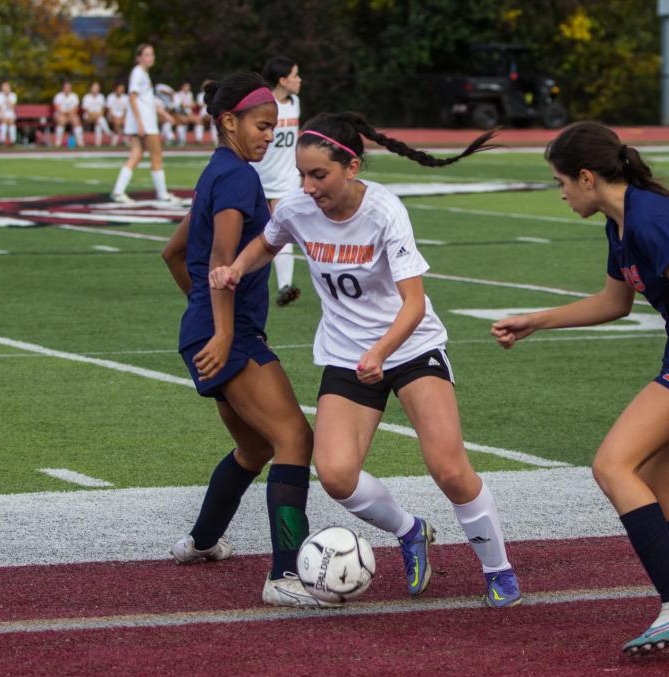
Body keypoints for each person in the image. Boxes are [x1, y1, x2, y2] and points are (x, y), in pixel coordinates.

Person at [208, 112, 522, 608]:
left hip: (410, 347)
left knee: (450, 469)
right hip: (346, 356)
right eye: (302, 175)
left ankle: (498, 570)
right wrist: (235, 268)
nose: (308, 187)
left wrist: (380, 352)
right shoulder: (296, 207)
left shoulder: (384, 211)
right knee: (335, 476)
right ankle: (411, 530)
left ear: (351, 167)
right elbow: (268, 242)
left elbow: (414, 304)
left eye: (319, 175)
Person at [491, 121, 669, 653]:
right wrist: (537, 321)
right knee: (658, 492)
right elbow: (613, 303)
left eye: (561, 182)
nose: (562, 192)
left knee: (612, 466)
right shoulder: (621, 225)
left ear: (588, 177)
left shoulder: (651, 219)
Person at [161, 72, 326, 608]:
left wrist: (203, 317)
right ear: (228, 121)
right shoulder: (239, 180)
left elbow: (172, 253)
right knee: (295, 440)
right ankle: (285, 575)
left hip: (203, 334)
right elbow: (220, 261)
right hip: (228, 337)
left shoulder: (217, 171)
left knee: (255, 447)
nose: (270, 137)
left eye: (275, 128)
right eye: (261, 125)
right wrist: (225, 328)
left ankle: (201, 542)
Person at [250, 56, 303, 307]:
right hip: (259, 177)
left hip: (286, 179)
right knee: (250, 230)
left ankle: (284, 286)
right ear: (282, 80)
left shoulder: (296, 103)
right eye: (295, 75)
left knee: (283, 228)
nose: (299, 80)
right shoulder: (262, 104)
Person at [110, 44, 181, 204]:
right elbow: (133, 98)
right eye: (147, 54)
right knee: (156, 155)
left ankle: (118, 191)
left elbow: (147, 100)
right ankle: (162, 194)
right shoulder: (138, 73)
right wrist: (140, 123)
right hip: (145, 123)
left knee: (136, 154)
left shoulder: (143, 74)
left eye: (152, 54)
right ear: (139, 57)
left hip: (142, 121)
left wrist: (164, 114)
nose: (151, 57)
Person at [81, 81, 113, 147]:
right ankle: (109, 133)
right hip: (88, 117)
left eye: (97, 87)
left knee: (99, 121)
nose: (96, 89)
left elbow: (102, 110)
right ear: (91, 88)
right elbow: (86, 110)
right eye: (94, 87)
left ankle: (98, 143)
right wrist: (95, 115)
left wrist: (98, 115)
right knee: (99, 119)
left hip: (99, 116)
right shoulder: (87, 97)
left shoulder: (101, 97)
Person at [53, 81, 83, 147]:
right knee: (61, 120)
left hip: (71, 115)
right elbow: (57, 108)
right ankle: (58, 143)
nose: (67, 89)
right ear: (63, 88)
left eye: (68, 87)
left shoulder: (74, 96)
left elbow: (75, 109)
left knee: (76, 120)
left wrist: (68, 113)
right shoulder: (58, 96)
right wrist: (67, 113)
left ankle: (80, 143)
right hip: (61, 115)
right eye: (66, 87)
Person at [0, 81, 17, 146]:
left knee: (11, 122)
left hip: (10, 113)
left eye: (7, 87)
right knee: (3, 121)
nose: (5, 88)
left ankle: (12, 141)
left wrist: (7, 97)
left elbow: (12, 107)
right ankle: (2, 141)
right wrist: (2, 116)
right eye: (4, 87)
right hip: (0, 113)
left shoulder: (13, 95)